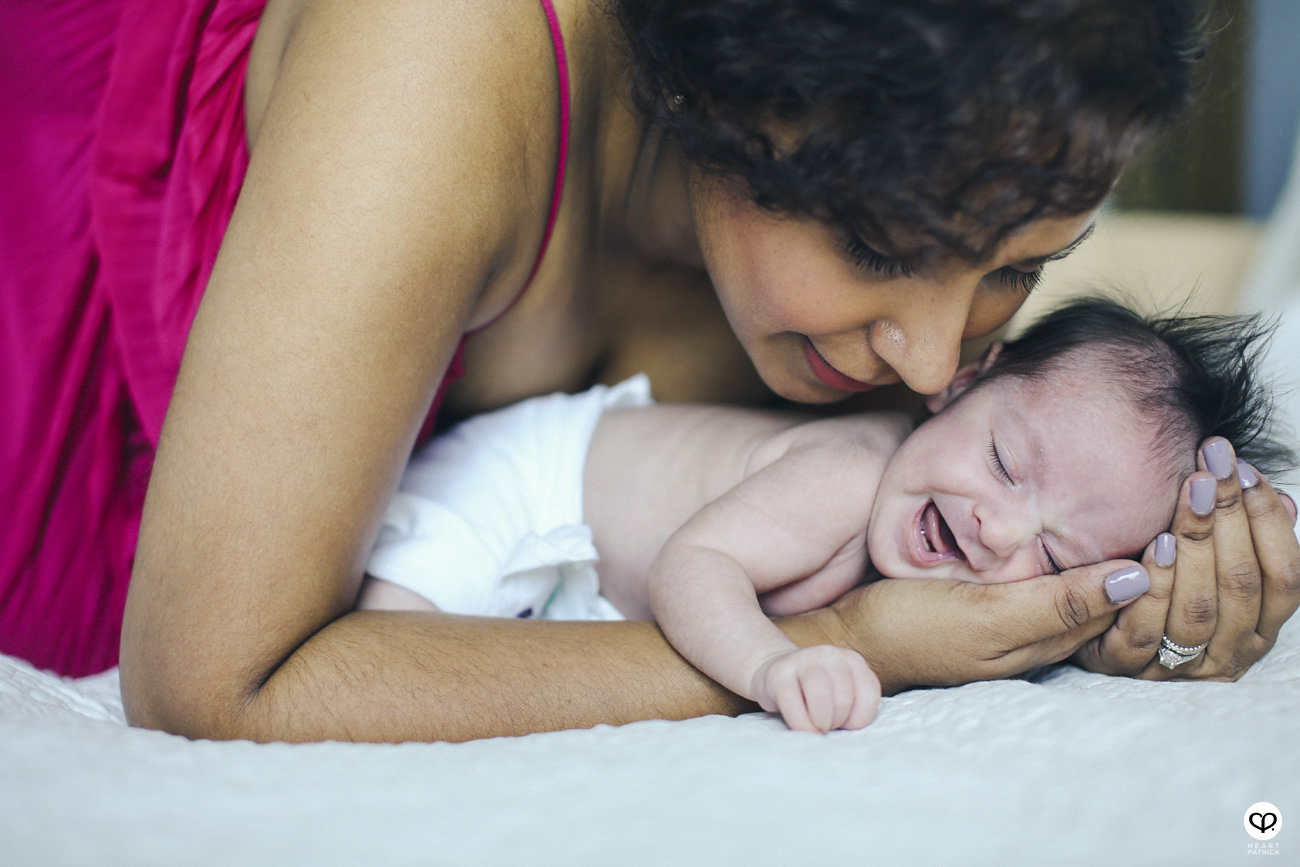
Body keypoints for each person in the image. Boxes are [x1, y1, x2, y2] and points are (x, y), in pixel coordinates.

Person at [3, 0, 1297, 743]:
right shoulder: (441, 58)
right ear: (731, 94)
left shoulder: (930, 265)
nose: (935, 359)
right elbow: (212, 682)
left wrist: (1116, 606)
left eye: (1021, 266)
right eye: (875, 247)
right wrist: (838, 644)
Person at [357, 300, 1296, 733]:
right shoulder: (851, 474)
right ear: (962, 382)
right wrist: (773, 664)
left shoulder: (937, 541)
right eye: (1004, 462)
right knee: (397, 659)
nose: (996, 531)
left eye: (1054, 552)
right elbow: (697, 565)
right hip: (517, 481)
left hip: (590, 559)